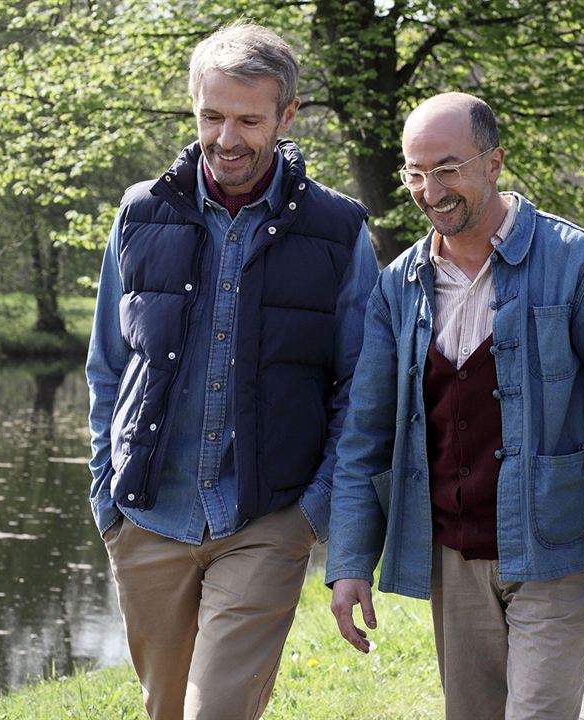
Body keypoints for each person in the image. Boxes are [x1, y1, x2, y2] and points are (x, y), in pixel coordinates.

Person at [326, 92, 584, 719]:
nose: (430, 189)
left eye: (447, 168)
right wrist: (350, 559)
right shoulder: (398, 285)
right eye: (415, 171)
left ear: (494, 163)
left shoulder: (578, 263)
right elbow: (366, 435)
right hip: (452, 552)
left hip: (557, 546)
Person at [85, 21, 379, 720]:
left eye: (249, 120)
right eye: (212, 116)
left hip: (265, 519)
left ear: (286, 117)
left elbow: (361, 389)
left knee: (218, 709)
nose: (227, 138)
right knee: (163, 709)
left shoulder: (339, 231)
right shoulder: (140, 212)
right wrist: (106, 495)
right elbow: (108, 365)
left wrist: (312, 514)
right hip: (148, 516)